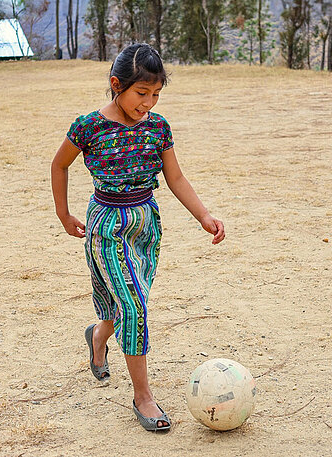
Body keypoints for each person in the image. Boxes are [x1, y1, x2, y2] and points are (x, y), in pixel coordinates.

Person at [50, 43, 225, 432]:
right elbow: (59, 164)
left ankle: (98, 335)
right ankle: (143, 397)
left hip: (146, 226)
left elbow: (174, 177)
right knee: (135, 308)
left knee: (132, 304)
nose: (148, 103)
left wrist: (204, 215)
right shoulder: (89, 126)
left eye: (156, 95)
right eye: (141, 93)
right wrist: (63, 214)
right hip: (106, 225)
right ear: (117, 85)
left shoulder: (158, 128)